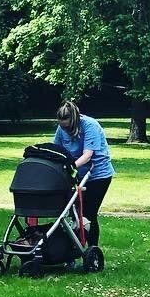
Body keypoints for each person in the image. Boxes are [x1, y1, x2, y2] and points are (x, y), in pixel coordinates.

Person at [52, 101, 114, 248]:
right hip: (75, 175)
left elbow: (87, 156)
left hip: (97, 175)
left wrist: (69, 166)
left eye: (67, 127)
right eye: (62, 126)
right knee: (72, 214)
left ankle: (93, 250)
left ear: (74, 121)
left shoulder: (90, 126)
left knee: (88, 213)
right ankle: (71, 250)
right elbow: (57, 150)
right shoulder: (61, 129)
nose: (64, 130)